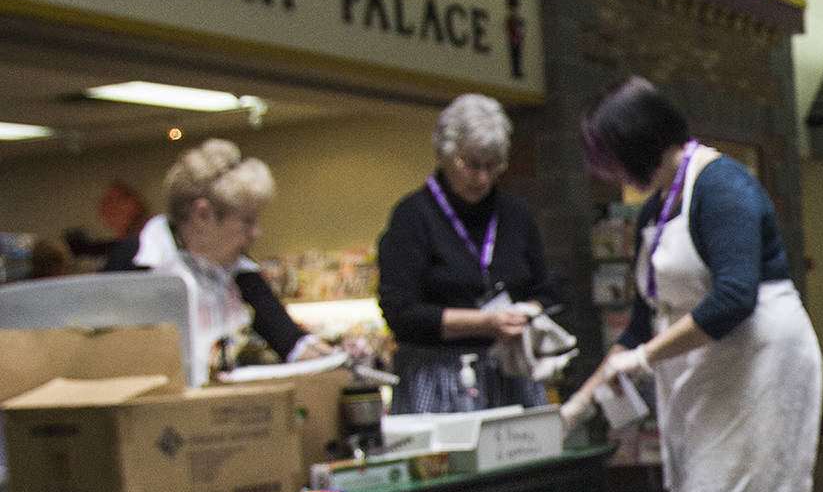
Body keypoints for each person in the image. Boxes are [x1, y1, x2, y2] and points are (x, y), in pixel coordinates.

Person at [577, 77, 823, 492]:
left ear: (635, 147)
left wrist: (643, 360)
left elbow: (734, 298)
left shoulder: (722, 185)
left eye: (611, 160)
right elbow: (642, 323)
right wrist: (582, 400)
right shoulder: (658, 207)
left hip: (756, 369)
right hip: (713, 377)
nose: (609, 174)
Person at [377, 94, 558, 413]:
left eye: (493, 166)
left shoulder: (515, 215)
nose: (482, 178)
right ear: (445, 155)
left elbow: (547, 290)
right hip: (435, 378)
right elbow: (401, 312)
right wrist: (486, 322)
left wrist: (526, 313)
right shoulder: (413, 216)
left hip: (511, 371)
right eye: (471, 164)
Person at [104, 138, 331, 383]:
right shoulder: (133, 264)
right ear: (202, 215)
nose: (256, 233)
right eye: (248, 221)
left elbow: (291, 342)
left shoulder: (240, 273)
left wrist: (342, 357)